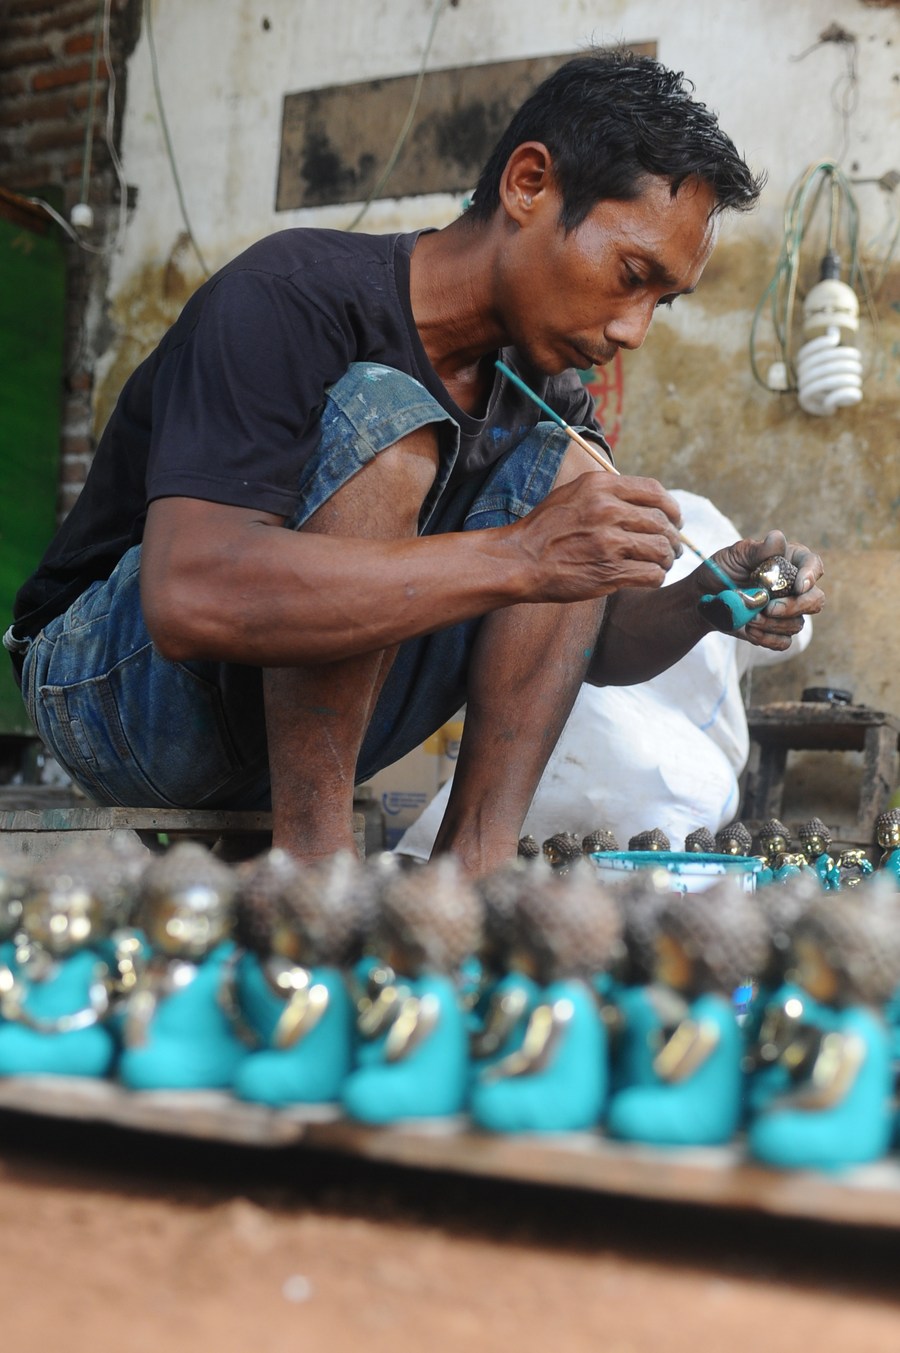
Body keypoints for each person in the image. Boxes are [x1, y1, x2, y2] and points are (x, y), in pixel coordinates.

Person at [3, 49, 823, 878]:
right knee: (391, 424)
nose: (633, 330)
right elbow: (190, 597)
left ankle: (471, 873)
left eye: (661, 301)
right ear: (528, 184)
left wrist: (706, 601)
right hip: (112, 687)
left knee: (577, 478)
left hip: (267, 706)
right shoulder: (291, 296)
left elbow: (576, 638)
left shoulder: (549, 394)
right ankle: (314, 866)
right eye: (631, 275)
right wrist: (523, 552)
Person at [394, 491, 813, 860]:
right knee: (698, 792)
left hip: (584, 723)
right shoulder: (587, 559)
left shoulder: (700, 585)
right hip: (591, 728)